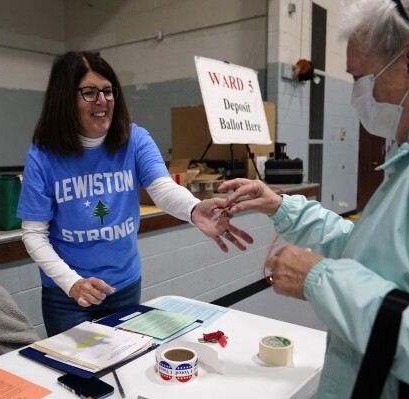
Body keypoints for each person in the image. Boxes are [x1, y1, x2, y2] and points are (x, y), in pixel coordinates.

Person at [217, 0, 409, 397]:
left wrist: (321, 279)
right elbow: (378, 255)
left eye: (361, 78)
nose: (358, 95)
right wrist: (281, 205)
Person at [16, 51, 252, 337]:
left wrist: (193, 208)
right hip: (69, 298)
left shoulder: (134, 139)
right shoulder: (43, 155)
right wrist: (71, 282)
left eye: (107, 90)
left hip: (124, 287)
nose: (102, 100)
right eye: (89, 92)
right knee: (77, 377)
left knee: (126, 368)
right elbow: (33, 233)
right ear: (65, 99)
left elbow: (162, 188)